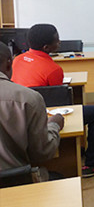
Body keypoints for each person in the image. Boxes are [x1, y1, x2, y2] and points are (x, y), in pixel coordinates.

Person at [11, 24, 94, 178]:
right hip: (44, 115)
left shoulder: (17, 60)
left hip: (18, 115)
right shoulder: (53, 69)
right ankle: (93, 164)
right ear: (46, 47)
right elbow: (58, 100)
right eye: (57, 40)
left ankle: (81, 148)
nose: (59, 43)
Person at [0, 41, 64, 178]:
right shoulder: (29, 98)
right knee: (61, 180)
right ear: (8, 63)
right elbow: (42, 153)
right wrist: (54, 125)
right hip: (16, 181)